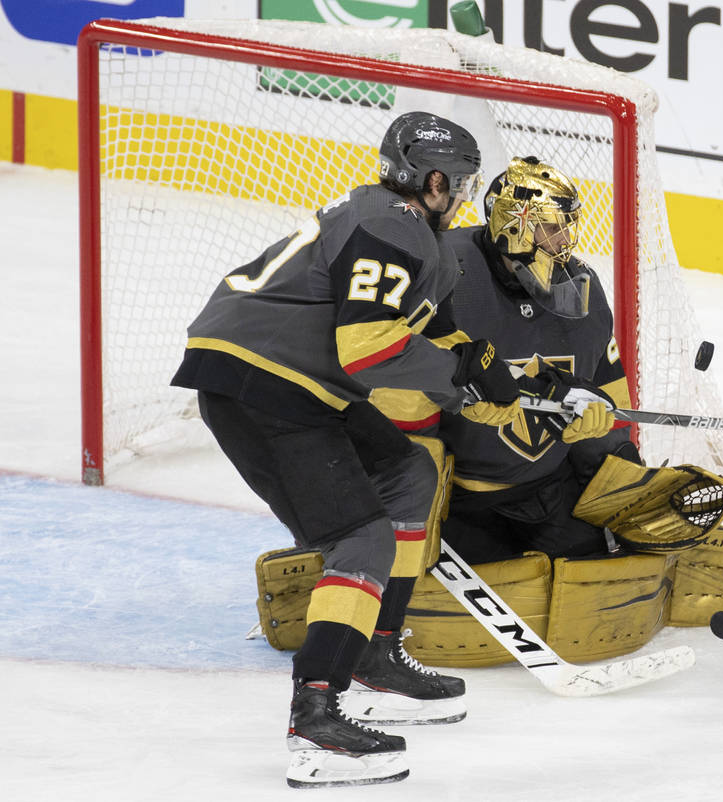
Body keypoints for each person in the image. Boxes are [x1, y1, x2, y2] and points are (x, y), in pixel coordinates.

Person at [171, 110, 524, 788]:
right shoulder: (391, 226)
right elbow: (368, 347)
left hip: (300, 381)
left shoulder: (410, 230)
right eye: (463, 182)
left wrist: (487, 368)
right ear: (434, 178)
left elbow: (431, 335)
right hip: (262, 381)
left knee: (405, 475)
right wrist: (460, 379)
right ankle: (317, 719)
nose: (465, 194)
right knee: (360, 540)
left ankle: (377, 654)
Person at [371, 155, 637, 563]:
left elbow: (609, 389)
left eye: (567, 227)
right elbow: (395, 385)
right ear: (514, 225)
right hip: (456, 498)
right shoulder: (444, 270)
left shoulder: (581, 288)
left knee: (596, 581)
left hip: (547, 487)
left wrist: (619, 458)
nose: (564, 241)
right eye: (551, 228)